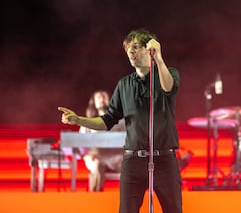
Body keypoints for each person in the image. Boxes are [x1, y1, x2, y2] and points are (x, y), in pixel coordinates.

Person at [58, 29, 182, 213]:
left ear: (150, 49)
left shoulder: (168, 74)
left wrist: (159, 59)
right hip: (133, 160)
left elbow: (169, 88)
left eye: (136, 47)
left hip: (164, 159)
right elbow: (108, 120)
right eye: (128, 49)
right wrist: (78, 120)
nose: (130, 52)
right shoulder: (124, 85)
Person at [79, 90, 125, 192]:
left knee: (129, 165)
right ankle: (95, 197)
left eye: (104, 97)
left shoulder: (120, 121)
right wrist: (87, 155)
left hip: (117, 157)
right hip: (96, 157)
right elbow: (81, 144)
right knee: (97, 165)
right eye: (99, 97)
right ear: (94, 102)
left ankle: (126, 200)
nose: (102, 99)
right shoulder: (87, 122)